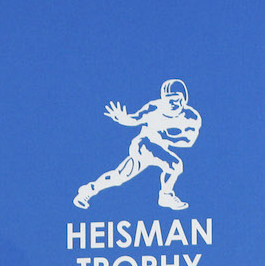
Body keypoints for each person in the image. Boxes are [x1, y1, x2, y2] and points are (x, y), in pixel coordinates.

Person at [73, 79, 202, 211]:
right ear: (164, 99)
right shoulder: (154, 108)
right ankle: (165, 196)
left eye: (178, 98)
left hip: (161, 149)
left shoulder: (191, 117)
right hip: (143, 145)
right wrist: (123, 119)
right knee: (174, 165)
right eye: (170, 99)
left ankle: (88, 190)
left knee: (118, 176)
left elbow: (188, 141)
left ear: (184, 98)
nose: (174, 103)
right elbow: (136, 118)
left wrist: (166, 137)